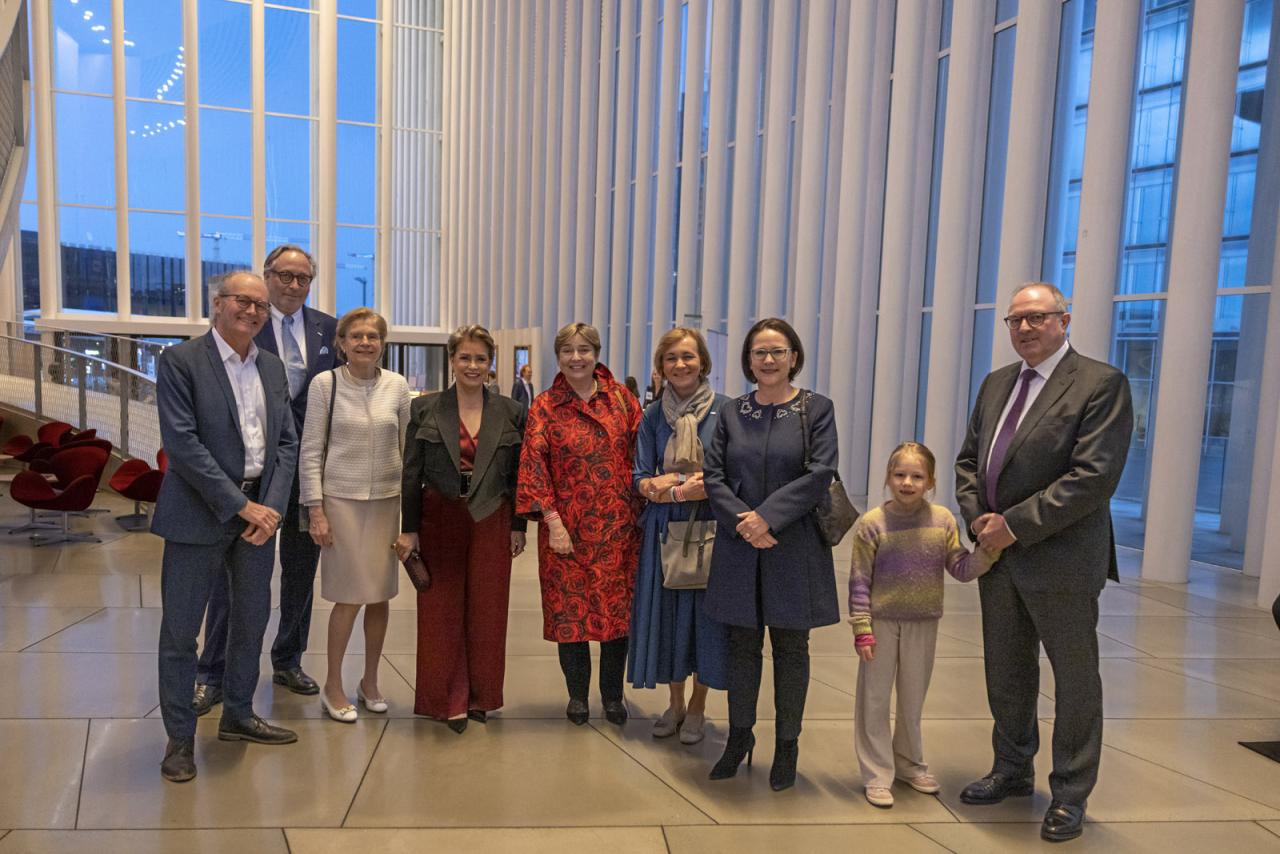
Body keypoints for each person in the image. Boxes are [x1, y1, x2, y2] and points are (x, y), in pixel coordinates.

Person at [955, 281, 1133, 843]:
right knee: (1006, 672)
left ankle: (1070, 794)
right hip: (998, 558)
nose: (1025, 329)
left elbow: (1093, 477)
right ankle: (1011, 769)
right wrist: (980, 519)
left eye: (1038, 317)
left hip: (1061, 559)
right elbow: (968, 461)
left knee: (1075, 681)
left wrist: (1014, 525)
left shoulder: (1101, 384)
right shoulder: (996, 383)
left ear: (1064, 320)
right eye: (1015, 320)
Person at [152, 271, 299, 783]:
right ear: (217, 305)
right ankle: (179, 740)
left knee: (250, 621)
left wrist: (272, 508)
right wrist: (241, 506)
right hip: (199, 515)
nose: (253, 311)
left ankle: (238, 714)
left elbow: (286, 444)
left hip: (260, 518)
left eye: (261, 305)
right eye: (243, 301)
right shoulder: (181, 361)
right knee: (180, 634)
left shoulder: (274, 369)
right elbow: (183, 445)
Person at [195, 244, 339, 713]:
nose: (293, 285)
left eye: (303, 278)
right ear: (267, 275)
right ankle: (212, 671)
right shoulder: (243, 326)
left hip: (309, 468)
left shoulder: (328, 329)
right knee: (231, 576)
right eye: (285, 276)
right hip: (254, 471)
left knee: (301, 570)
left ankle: (288, 659)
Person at [703, 317, 839, 792]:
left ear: (793, 357)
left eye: (777, 351)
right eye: (759, 352)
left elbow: (820, 472)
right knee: (742, 647)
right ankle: (739, 738)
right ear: (748, 360)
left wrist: (767, 518)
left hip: (792, 546)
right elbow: (712, 474)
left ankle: (787, 745)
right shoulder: (731, 412)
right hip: (740, 545)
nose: (767, 360)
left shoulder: (816, 409)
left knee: (791, 649)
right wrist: (746, 521)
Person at [850, 442, 998, 808]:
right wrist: (861, 628)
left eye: (917, 476)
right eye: (899, 475)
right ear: (888, 478)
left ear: (930, 481)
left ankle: (910, 765)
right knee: (874, 699)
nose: (907, 482)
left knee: (913, 701)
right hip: (882, 624)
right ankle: (876, 773)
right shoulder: (872, 524)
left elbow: (960, 568)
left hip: (924, 623)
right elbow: (859, 581)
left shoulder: (943, 520)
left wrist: (988, 553)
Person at [397, 325, 527, 732]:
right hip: (439, 517)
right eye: (465, 357)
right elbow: (410, 474)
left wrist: (519, 525)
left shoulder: (511, 411)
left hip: (493, 515)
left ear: (491, 365)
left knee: (488, 611)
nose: (473, 366)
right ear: (452, 360)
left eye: (481, 359)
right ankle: (446, 699)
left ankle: (481, 698)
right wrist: (409, 528)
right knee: (440, 612)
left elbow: (520, 476)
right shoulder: (427, 408)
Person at [517, 322, 642, 726]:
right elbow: (533, 466)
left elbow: (643, 458)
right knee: (570, 617)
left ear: (597, 352)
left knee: (615, 617)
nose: (577, 358)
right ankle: (576, 697)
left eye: (585, 349)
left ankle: (612, 696)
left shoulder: (623, 401)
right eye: (568, 350)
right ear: (558, 356)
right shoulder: (545, 405)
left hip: (618, 530)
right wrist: (552, 522)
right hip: (564, 531)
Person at [298, 308, 410, 723]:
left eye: (373, 336)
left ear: (383, 343)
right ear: (341, 343)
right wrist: (316, 510)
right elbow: (311, 451)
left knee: (380, 595)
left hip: (386, 500)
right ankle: (332, 684)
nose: (365, 342)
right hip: (339, 502)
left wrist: (411, 514)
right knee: (347, 598)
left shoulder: (397, 387)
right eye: (357, 336)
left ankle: (370, 681)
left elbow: (408, 447)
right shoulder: (324, 385)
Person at [629, 328, 729, 745]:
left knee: (705, 620)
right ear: (661, 366)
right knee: (667, 618)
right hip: (662, 529)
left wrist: (686, 483)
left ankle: (699, 708)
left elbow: (727, 474)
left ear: (702, 362)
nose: (680, 365)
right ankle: (674, 703)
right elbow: (640, 476)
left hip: (711, 527)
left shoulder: (725, 412)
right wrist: (671, 488)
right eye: (671, 358)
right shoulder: (652, 416)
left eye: (688, 356)